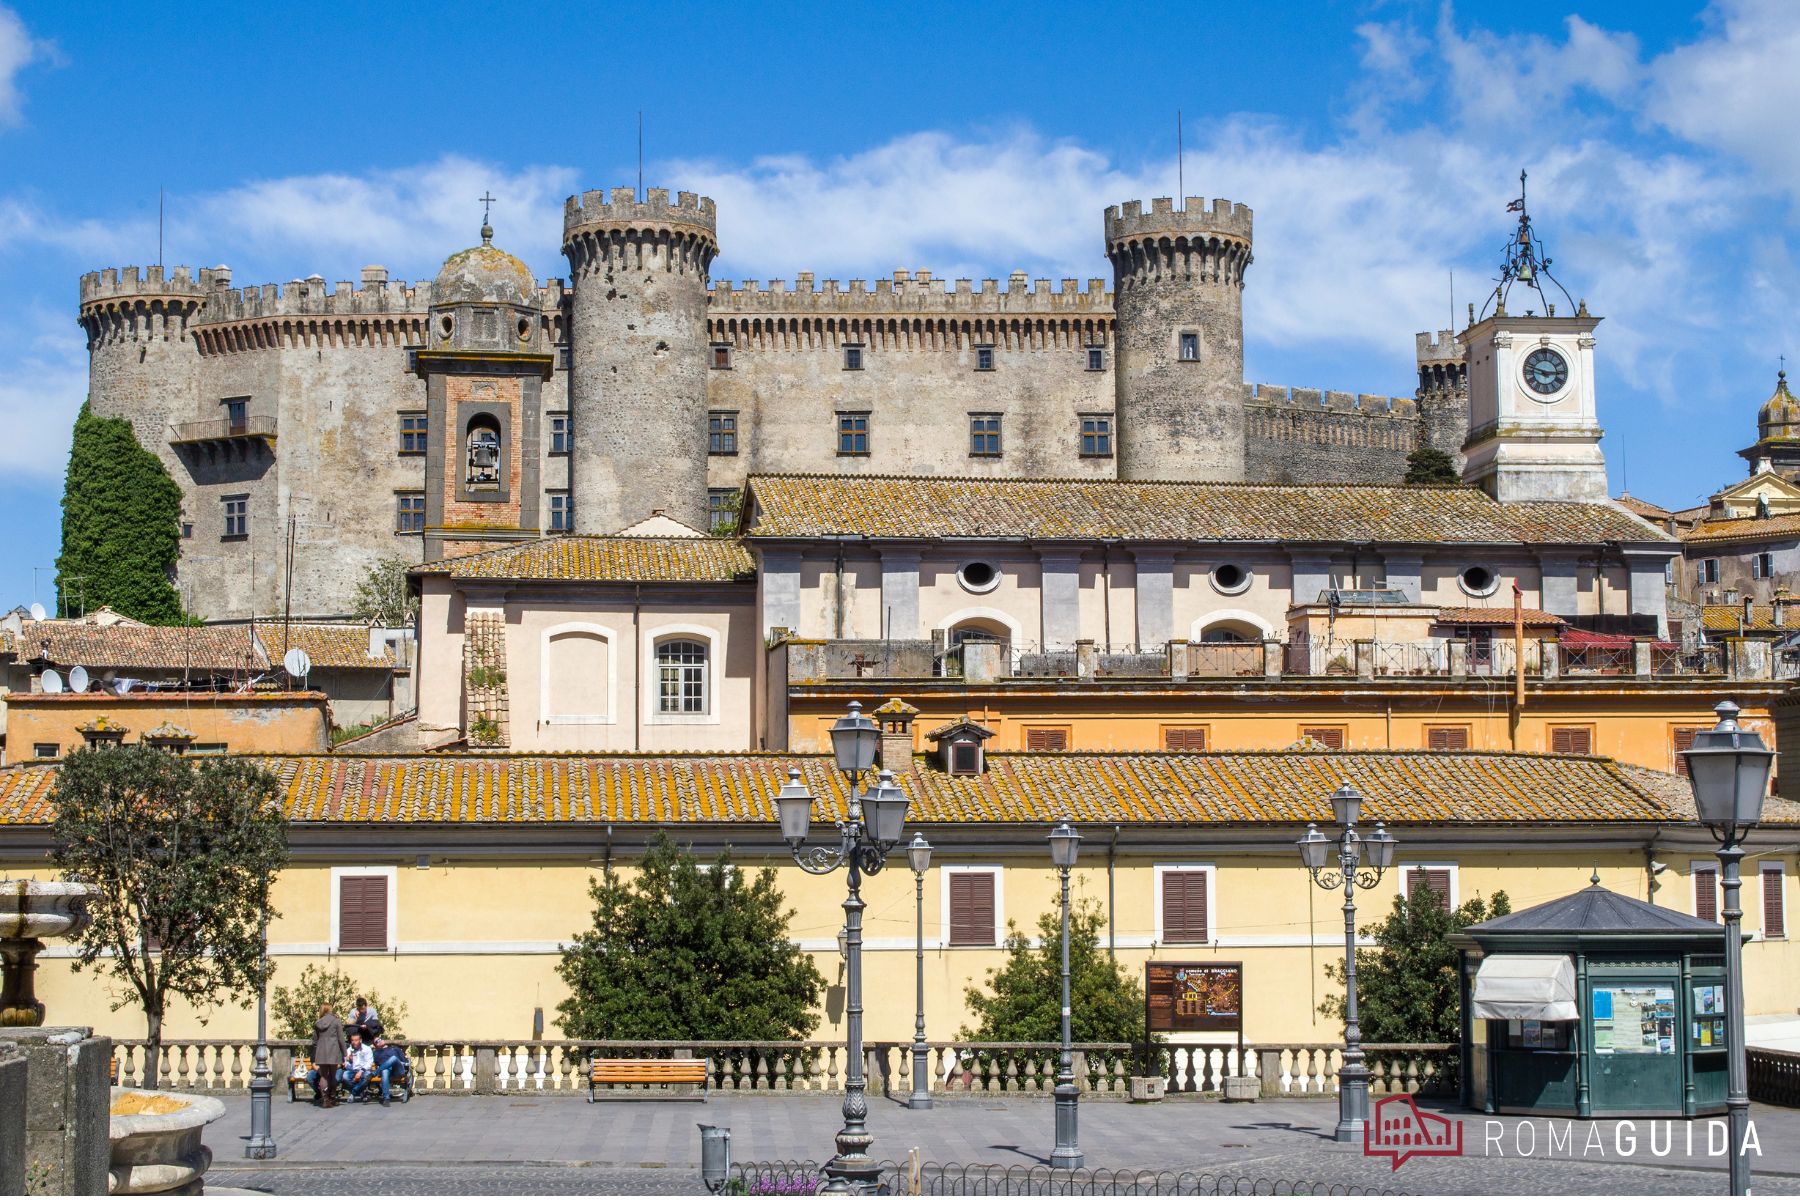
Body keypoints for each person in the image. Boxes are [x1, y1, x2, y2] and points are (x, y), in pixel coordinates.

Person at [308, 1002, 345, 1107]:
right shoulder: (336, 1021)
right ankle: (332, 1097)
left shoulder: (317, 1023)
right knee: (332, 1075)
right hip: (333, 1050)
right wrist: (344, 1052)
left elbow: (315, 1040)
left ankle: (325, 1099)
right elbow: (341, 1039)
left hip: (321, 1051)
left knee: (323, 1076)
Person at [370, 1036, 409, 1107]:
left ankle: (374, 1073)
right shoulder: (376, 1053)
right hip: (388, 1072)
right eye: (377, 1041)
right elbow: (377, 1064)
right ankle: (386, 1098)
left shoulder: (394, 1048)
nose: (380, 1040)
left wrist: (402, 1063)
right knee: (384, 1071)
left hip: (398, 1070)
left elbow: (405, 1061)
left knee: (393, 1058)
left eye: (380, 1039)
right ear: (376, 1046)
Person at [340, 1031, 374, 1101]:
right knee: (345, 1076)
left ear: (360, 1040)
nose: (354, 1042)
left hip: (364, 1070)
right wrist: (350, 1061)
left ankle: (353, 1093)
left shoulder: (367, 1049)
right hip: (352, 1071)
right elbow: (346, 1065)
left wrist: (360, 1072)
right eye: (352, 1040)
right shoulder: (349, 1050)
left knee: (367, 1076)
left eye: (356, 1040)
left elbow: (369, 1063)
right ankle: (361, 1093)